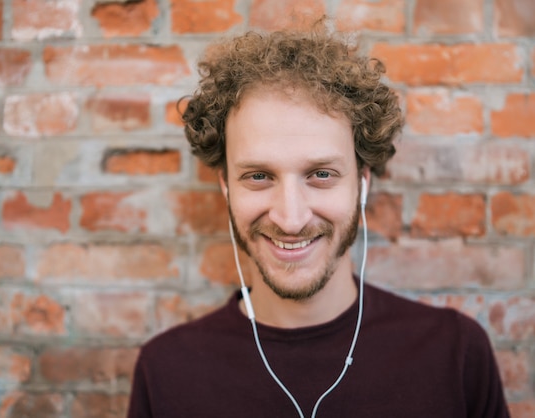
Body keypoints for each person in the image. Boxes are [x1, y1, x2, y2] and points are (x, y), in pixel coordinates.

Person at [127, 21, 510, 418]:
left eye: (321, 175)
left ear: (362, 185)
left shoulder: (455, 355)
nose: (290, 219)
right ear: (226, 187)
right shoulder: (166, 371)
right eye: (258, 176)